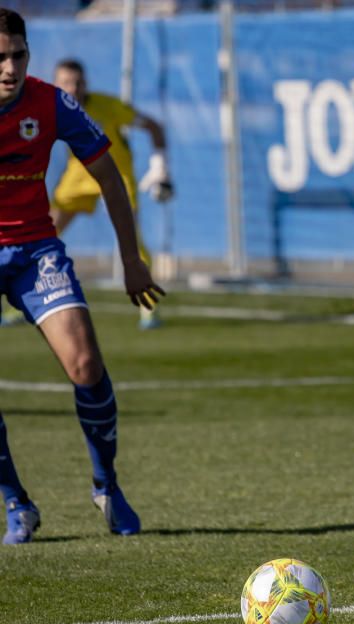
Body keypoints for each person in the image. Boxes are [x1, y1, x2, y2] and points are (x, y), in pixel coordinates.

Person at [0, 8, 165, 544]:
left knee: (86, 363)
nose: (9, 68)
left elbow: (109, 177)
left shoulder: (50, 102)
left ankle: (106, 485)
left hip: (34, 250)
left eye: (17, 55)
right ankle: (16, 503)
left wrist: (132, 260)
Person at [50, 58, 172, 330]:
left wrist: (159, 167)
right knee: (42, 234)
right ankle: (16, 306)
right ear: (56, 85)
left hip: (116, 177)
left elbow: (154, 127)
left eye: (78, 82)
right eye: (66, 82)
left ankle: (147, 308)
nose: (73, 88)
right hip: (78, 175)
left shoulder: (108, 106)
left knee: (132, 241)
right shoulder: (50, 108)